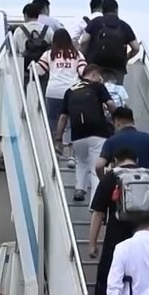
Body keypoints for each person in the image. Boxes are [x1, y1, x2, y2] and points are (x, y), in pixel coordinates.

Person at [87, 147, 149, 295]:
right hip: (146, 233)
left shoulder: (111, 177)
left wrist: (92, 244)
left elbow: (98, 213)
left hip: (116, 235)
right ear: (136, 161)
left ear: (115, 161)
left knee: (111, 272)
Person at [53, 65, 115, 202]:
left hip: (77, 134)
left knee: (81, 161)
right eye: (99, 77)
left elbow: (63, 117)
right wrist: (116, 119)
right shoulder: (98, 87)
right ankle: (94, 203)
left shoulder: (70, 91)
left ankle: (80, 188)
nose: (100, 79)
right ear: (94, 74)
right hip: (97, 132)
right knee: (95, 168)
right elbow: (110, 104)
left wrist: (58, 137)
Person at [96, 106, 149, 198]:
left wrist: (105, 183)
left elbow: (99, 166)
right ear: (132, 121)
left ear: (117, 121)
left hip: (123, 191)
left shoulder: (111, 141)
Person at [79, 0, 139, 84]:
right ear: (116, 10)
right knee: (116, 90)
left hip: (96, 64)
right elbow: (136, 48)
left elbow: (84, 40)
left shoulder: (95, 22)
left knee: (95, 89)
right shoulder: (124, 26)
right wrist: (126, 58)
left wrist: (84, 56)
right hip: (117, 66)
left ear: (102, 10)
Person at [41, 28, 84, 145]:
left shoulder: (49, 54)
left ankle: (54, 145)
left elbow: (40, 70)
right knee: (71, 122)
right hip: (73, 91)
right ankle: (68, 146)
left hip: (53, 92)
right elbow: (83, 71)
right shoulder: (77, 54)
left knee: (53, 121)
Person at [11, 3, 54, 93]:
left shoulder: (19, 31)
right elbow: (53, 48)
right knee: (43, 92)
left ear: (25, 15)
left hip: (25, 68)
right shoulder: (48, 30)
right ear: (38, 15)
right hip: (44, 68)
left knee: (24, 93)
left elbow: (14, 51)